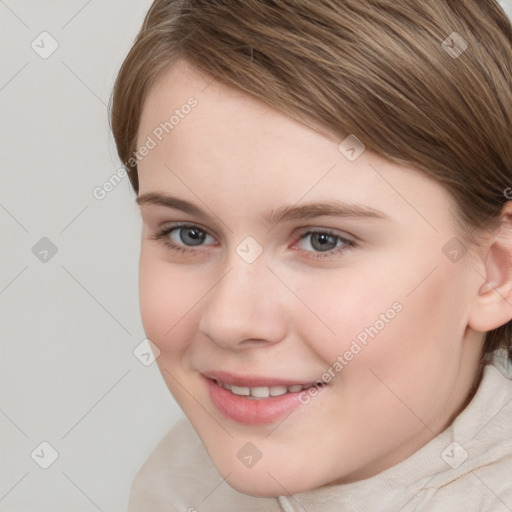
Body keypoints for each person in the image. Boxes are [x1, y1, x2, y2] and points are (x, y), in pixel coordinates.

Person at [109, 1, 512, 510]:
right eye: (189, 234)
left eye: (323, 240)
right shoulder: (175, 485)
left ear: (497, 270)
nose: (229, 321)